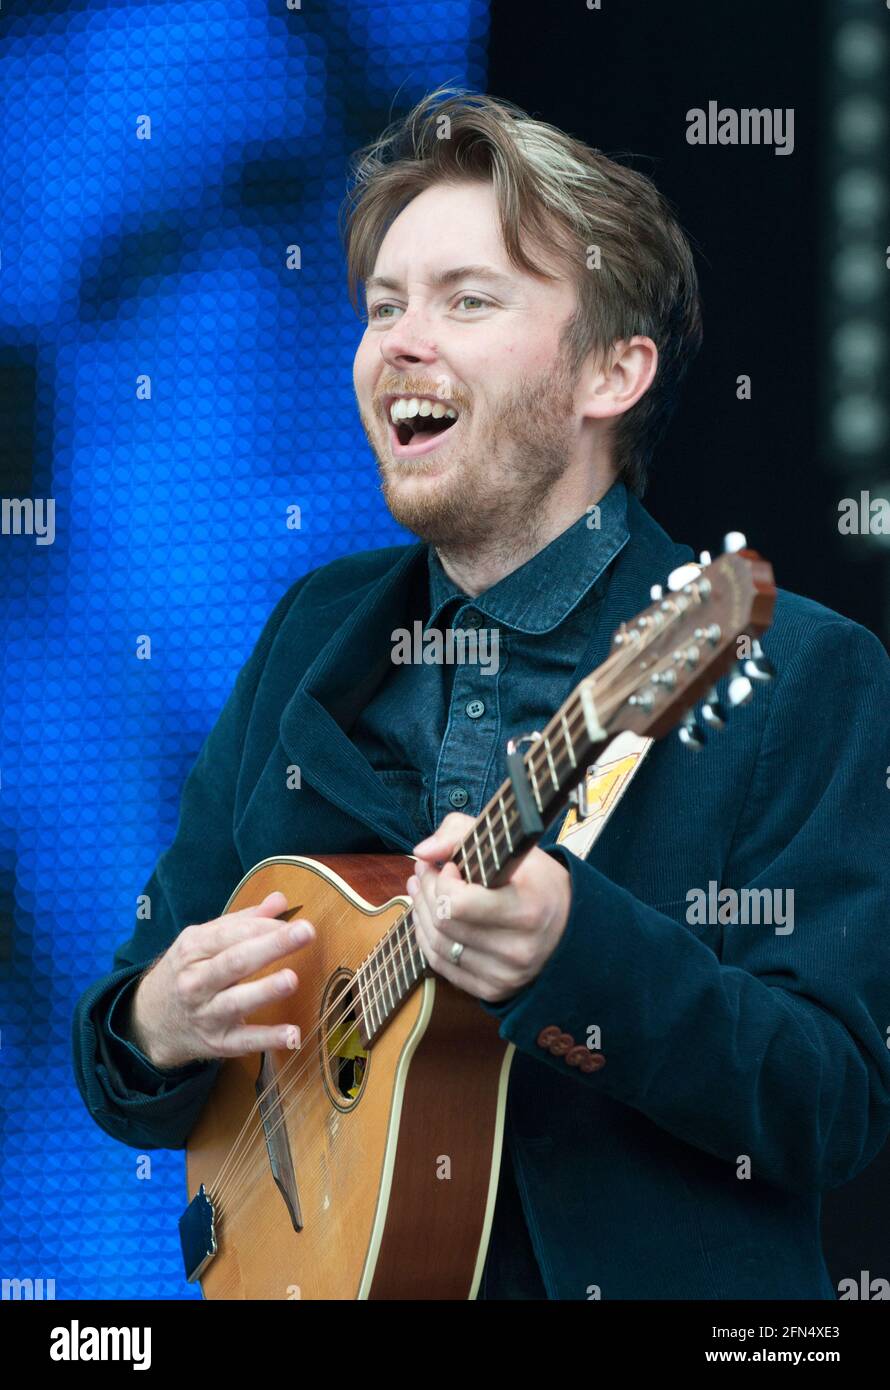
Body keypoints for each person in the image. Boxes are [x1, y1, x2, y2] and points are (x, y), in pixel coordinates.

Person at [72, 87, 890, 1300]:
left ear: (613, 371)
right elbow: (127, 1047)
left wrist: (579, 954)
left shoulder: (795, 668)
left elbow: (830, 1103)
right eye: (382, 306)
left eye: (466, 300)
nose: (399, 340)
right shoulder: (311, 631)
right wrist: (159, 1019)